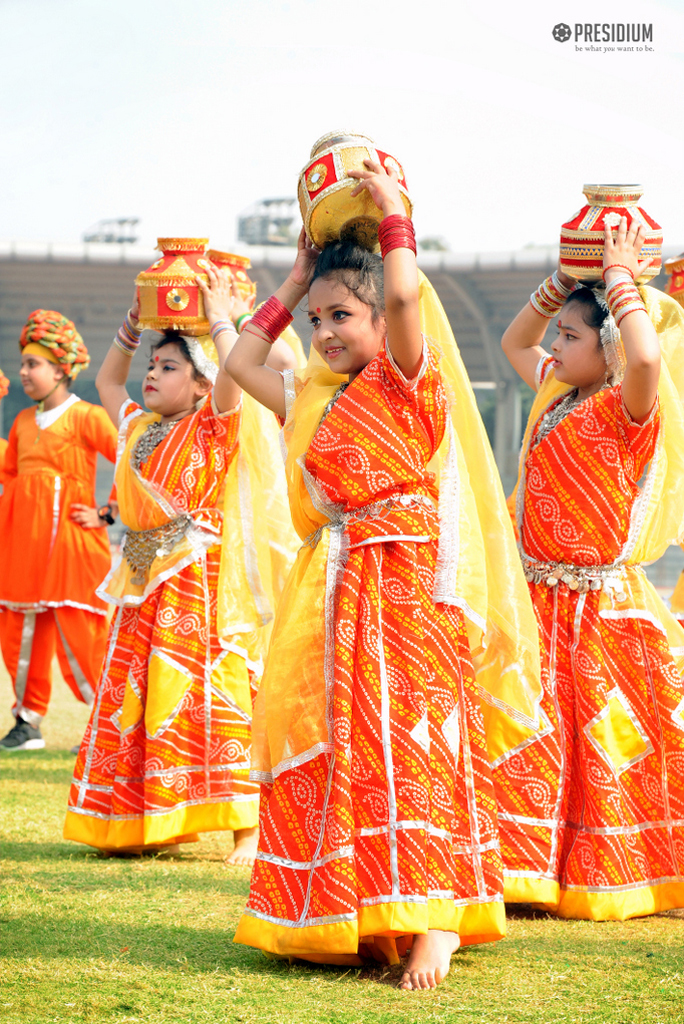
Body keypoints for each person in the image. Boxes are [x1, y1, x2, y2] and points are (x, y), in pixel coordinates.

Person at [219, 159, 541, 990]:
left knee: (418, 743)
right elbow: (240, 366)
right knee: (346, 744)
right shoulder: (313, 394)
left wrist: (395, 219)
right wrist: (292, 282)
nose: (326, 331)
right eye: (318, 318)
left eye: (342, 315)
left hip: (403, 586)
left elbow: (403, 301)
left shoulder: (408, 381)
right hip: (332, 590)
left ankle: (438, 921)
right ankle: (361, 909)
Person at [64, 288, 299, 862]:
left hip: (200, 582)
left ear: (201, 384)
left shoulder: (212, 423)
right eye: (152, 363)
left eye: (170, 366)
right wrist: (131, 324)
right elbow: (107, 384)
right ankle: (142, 816)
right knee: (138, 697)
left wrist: (222, 318)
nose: (152, 373)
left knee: (214, 693)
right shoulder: (138, 426)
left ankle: (245, 825)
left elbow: (236, 377)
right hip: (143, 580)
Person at [494, 216, 684, 920]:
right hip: (539, 599)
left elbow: (647, 362)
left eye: (571, 335)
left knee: (608, 741)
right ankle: (528, 870)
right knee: (532, 731)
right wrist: (562, 283)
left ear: (606, 346)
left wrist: (620, 279)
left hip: (598, 610)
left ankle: (615, 872)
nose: (555, 344)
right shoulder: (554, 394)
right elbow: (518, 338)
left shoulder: (626, 411)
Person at [0, 311, 118, 752]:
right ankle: (27, 722)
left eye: (34, 364)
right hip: (23, 554)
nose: (24, 373)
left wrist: (108, 512)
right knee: (19, 637)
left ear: (62, 369)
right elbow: (10, 478)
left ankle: (108, 728)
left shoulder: (85, 417)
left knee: (83, 638)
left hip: (72, 550)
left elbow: (131, 455)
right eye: (24, 364)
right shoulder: (23, 423)